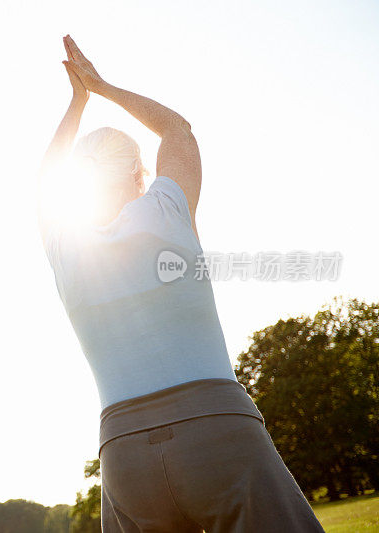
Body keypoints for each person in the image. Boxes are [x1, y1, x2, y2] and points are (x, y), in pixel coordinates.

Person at [38, 36, 324, 533]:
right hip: (216, 426)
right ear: (139, 173)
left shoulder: (64, 244)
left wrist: (76, 102)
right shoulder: (167, 212)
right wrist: (101, 87)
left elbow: (46, 178)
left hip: (123, 451)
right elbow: (176, 129)